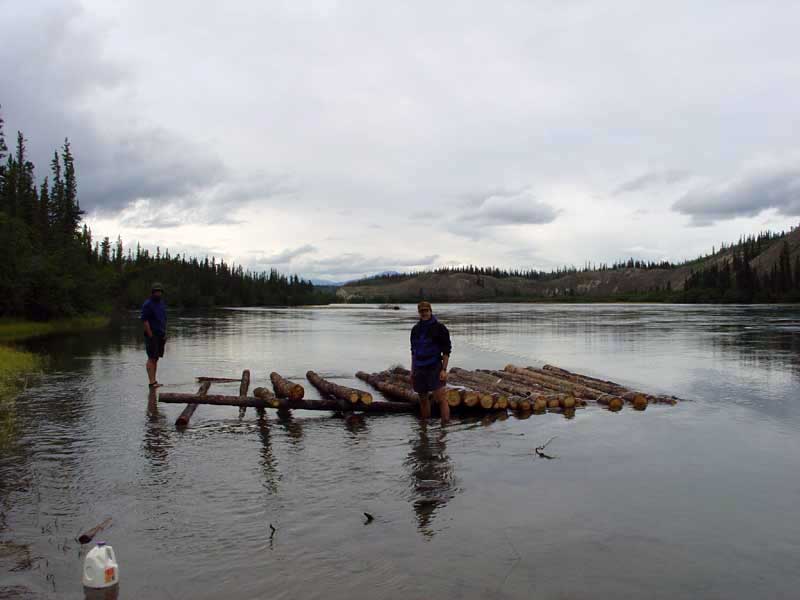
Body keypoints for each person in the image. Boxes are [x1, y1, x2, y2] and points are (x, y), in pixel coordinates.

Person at [410, 301, 451, 425]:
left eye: (426, 310)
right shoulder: (415, 329)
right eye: (421, 311)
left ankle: (444, 429)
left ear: (430, 311)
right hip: (419, 368)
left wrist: (444, 369)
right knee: (423, 399)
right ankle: (424, 428)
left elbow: (446, 351)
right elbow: (413, 351)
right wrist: (412, 370)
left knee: (441, 399)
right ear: (419, 313)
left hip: (435, 367)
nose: (424, 313)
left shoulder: (440, 328)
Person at [141, 282, 167, 388]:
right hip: (152, 334)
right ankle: (151, 382)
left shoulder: (161, 303)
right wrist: (150, 335)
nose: (158, 293)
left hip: (161, 334)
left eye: (160, 291)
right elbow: (145, 320)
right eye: (156, 291)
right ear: (152, 292)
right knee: (151, 357)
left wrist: (165, 333)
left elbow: (164, 319)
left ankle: (154, 381)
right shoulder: (147, 304)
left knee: (156, 358)